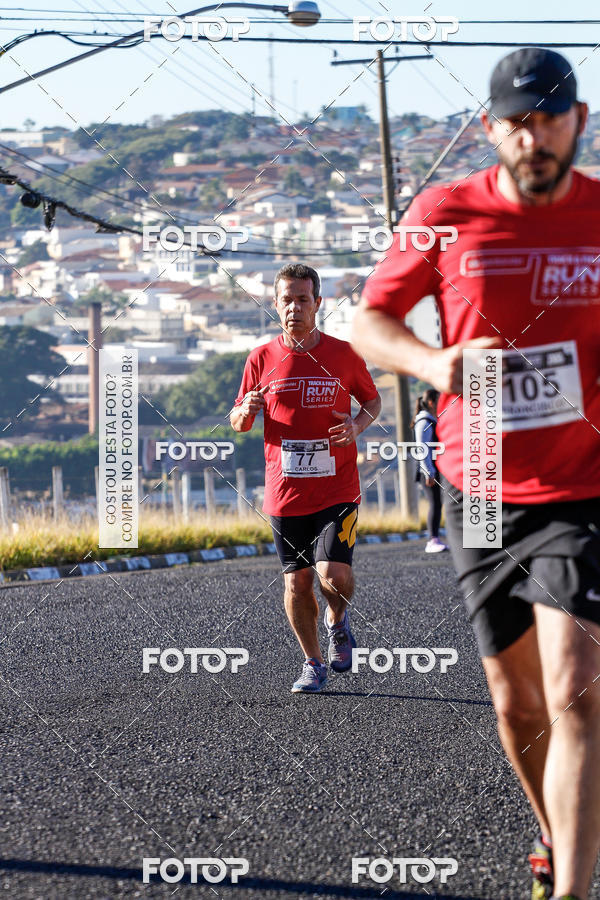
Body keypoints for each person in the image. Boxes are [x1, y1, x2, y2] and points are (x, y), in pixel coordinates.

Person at [352, 47, 600, 900]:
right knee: (517, 702)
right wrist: (437, 362)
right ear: (492, 129)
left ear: (580, 121)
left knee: (575, 691)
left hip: (584, 483)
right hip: (482, 481)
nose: (535, 137)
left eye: (551, 118)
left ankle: (570, 888)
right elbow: (370, 323)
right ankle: (548, 828)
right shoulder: (445, 210)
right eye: (518, 122)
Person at [231, 263, 381, 694]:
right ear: (276, 305)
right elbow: (239, 420)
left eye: (302, 299)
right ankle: (312, 663)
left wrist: (356, 426)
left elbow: (372, 402)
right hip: (285, 491)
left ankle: (338, 620)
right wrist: (245, 411)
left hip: (338, 487)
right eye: (286, 300)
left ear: (318, 304)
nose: (294, 308)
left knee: (334, 574)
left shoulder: (344, 354)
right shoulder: (260, 359)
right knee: (297, 582)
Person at [410, 389, 447, 553]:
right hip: (429, 472)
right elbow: (422, 448)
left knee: (438, 503)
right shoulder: (424, 421)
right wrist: (429, 472)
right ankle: (432, 540)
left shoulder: (431, 420)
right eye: (439, 400)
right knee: (435, 503)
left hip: (435, 470)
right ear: (431, 402)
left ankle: (435, 538)